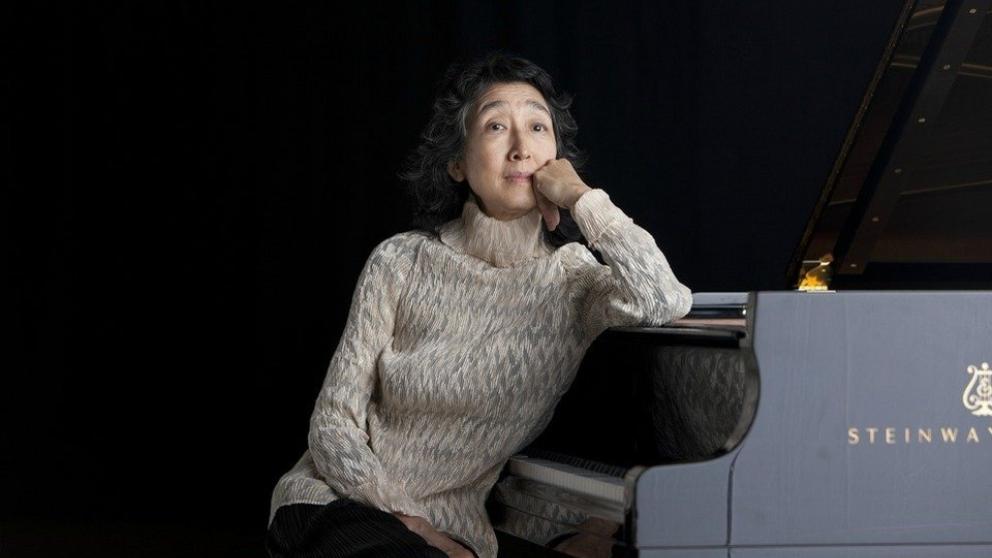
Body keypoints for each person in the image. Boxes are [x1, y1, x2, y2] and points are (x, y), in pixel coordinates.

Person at [264, 50, 693, 558]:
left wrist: (583, 198)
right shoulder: (401, 260)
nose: (521, 148)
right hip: (333, 502)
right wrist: (410, 523)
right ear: (457, 163)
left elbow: (664, 297)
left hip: (452, 533)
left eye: (538, 127)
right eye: (496, 127)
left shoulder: (573, 280)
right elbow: (333, 424)